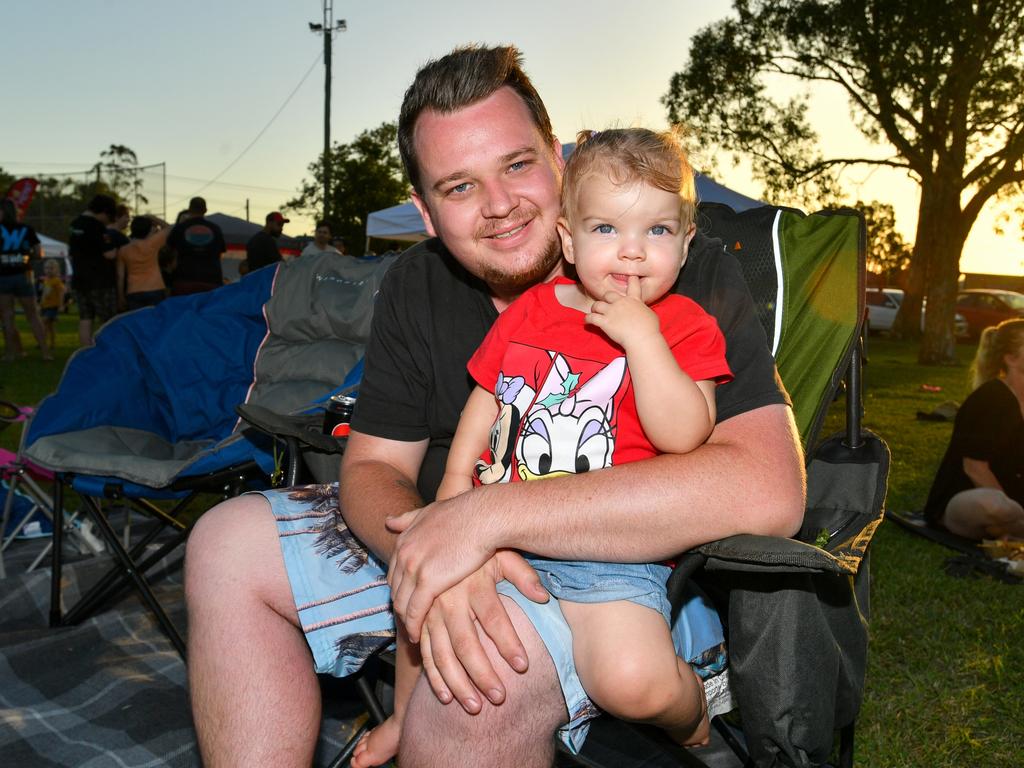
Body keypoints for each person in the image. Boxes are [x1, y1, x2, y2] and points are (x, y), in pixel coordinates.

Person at [185, 45, 804, 768]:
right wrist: (433, 556)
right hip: (442, 529)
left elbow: (768, 489)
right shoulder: (416, 286)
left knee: (475, 692)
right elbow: (374, 465)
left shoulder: (675, 273)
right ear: (423, 210)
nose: (500, 205)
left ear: (559, 159)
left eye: (517, 166)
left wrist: (482, 523)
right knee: (224, 543)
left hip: (617, 574)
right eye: (458, 186)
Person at [352, 127, 734, 768]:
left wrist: (644, 343)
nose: (633, 253)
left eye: (658, 232)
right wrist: (451, 497)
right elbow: (488, 399)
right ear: (568, 237)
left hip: (614, 547)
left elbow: (685, 435)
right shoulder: (531, 311)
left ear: (687, 241)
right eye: (607, 229)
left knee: (631, 681)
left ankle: (691, 707)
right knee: (433, 611)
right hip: (505, 539)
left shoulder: (686, 326)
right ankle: (400, 718)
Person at [924, 318, 1024, 540]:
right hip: (966, 502)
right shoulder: (990, 398)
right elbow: (974, 468)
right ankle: (1013, 526)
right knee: (998, 506)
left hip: (1012, 504)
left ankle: (1008, 530)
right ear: (1009, 358)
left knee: (1006, 513)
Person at [0, 198, 51, 361]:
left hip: (3, 277)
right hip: (24, 275)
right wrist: (25, 255)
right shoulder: (26, 229)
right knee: (33, 315)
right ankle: (45, 353)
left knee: (7, 316)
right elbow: (39, 253)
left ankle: (9, 354)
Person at [68, 193, 120, 347]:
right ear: (103, 211)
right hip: (100, 280)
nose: (107, 220)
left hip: (79, 279)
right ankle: (109, 350)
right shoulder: (97, 226)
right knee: (108, 319)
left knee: (85, 318)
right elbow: (110, 254)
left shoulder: (75, 224)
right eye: (108, 216)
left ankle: (86, 352)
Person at [166, 196, 226, 295]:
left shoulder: (180, 228)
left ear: (189, 210)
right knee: (208, 309)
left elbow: (170, 251)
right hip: (211, 280)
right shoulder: (215, 229)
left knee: (184, 309)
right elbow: (221, 252)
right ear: (205, 210)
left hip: (184, 279)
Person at [116, 215, 171, 310]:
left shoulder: (123, 250)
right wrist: (151, 217)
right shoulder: (153, 243)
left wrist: (120, 296)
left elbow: (119, 275)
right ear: (148, 230)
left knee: (138, 322)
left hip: (133, 290)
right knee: (155, 321)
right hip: (155, 287)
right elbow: (169, 228)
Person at [38, 258, 65, 351]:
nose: (48, 270)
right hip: (45, 306)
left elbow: (61, 292)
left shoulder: (56, 281)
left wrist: (61, 305)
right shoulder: (45, 280)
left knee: (44, 322)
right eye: (46, 268)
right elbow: (44, 294)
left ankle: (43, 341)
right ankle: (50, 343)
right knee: (49, 326)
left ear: (56, 270)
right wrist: (40, 304)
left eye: (51, 268)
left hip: (53, 306)